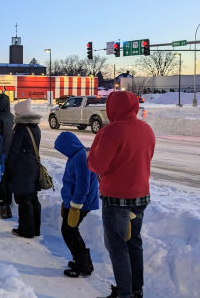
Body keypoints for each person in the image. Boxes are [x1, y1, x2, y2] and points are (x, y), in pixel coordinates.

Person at [87, 91, 155, 298]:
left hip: (117, 197)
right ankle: (136, 289)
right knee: (134, 242)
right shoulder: (146, 129)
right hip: (141, 194)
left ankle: (124, 293)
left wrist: (98, 141)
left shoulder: (111, 131)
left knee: (117, 245)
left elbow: (96, 165)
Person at [55, 131, 99, 278]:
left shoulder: (81, 157)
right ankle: (82, 262)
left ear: (69, 145)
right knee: (70, 232)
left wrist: (76, 204)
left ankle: (83, 265)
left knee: (69, 232)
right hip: (74, 202)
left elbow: (83, 184)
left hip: (79, 203)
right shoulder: (77, 155)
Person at [6, 99, 42, 239]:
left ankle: (26, 229)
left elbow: (14, 150)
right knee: (33, 197)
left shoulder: (21, 128)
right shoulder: (35, 127)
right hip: (33, 165)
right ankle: (35, 228)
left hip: (22, 168)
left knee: (23, 199)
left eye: (16, 111)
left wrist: (9, 168)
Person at [0, 94, 15, 219]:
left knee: (0, 180)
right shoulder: (12, 117)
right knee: (8, 180)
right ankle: (8, 204)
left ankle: (2, 206)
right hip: (11, 153)